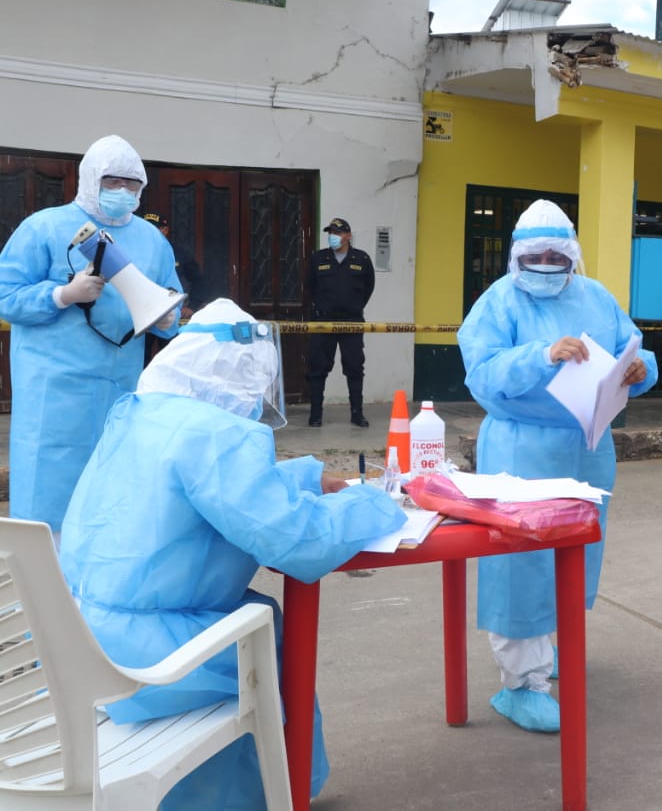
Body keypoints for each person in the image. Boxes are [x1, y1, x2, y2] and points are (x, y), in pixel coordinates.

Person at [58, 298, 405, 809]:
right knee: (263, 625)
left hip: (78, 637)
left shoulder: (140, 413)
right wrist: (373, 502)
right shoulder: (219, 433)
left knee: (256, 617)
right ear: (247, 374)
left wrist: (309, 476)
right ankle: (271, 790)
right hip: (154, 656)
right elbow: (298, 541)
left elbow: (203, 489)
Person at [457, 199, 657, 733]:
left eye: (556, 255)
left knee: (576, 554)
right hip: (521, 451)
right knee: (520, 564)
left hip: (587, 447)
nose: (545, 263)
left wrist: (641, 369)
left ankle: (556, 644)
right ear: (517, 256)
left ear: (573, 255)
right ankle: (520, 685)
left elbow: (632, 348)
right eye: (535, 255)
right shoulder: (498, 302)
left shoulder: (597, 298)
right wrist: (542, 355)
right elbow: (481, 371)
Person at [0, 134, 181, 535]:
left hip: (120, 388)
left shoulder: (151, 240)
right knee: (49, 493)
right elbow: (5, 295)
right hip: (54, 393)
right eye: (113, 182)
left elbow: (169, 295)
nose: (123, 192)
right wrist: (61, 295)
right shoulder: (44, 227)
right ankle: (44, 584)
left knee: (112, 490)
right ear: (91, 178)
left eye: (133, 185)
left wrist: (170, 320)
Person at [306, 217, 376, 428]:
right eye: (330, 233)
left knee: (355, 367)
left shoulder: (361, 259)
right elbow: (310, 286)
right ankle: (316, 414)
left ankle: (357, 413)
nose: (332, 237)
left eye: (337, 233)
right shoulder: (318, 258)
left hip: (352, 322)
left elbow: (368, 288)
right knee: (318, 368)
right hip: (323, 321)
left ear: (348, 235)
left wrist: (352, 307)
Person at [144, 211, 204, 316]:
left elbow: (197, 280)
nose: (148, 232)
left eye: (153, 228)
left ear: (165, 230)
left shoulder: (179, 253)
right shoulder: (137, 252)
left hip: (173, 311)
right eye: (145, 228)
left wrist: (192, 306)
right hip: (144, 310)